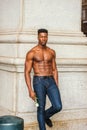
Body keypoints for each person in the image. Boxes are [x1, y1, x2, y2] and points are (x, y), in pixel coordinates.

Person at [24, 28, 62, 130]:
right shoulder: (31, 52)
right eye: (41, 36)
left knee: (58, 106)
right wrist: (30, 90)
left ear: (47, 37)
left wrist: (56, 85)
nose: (43, 39)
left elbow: (54, 69)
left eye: (45, 36)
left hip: (51, 81)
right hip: (38, 82)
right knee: (40, 108)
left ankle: (45, 116)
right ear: (38, 37)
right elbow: (27, 72)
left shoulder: (51, 52)